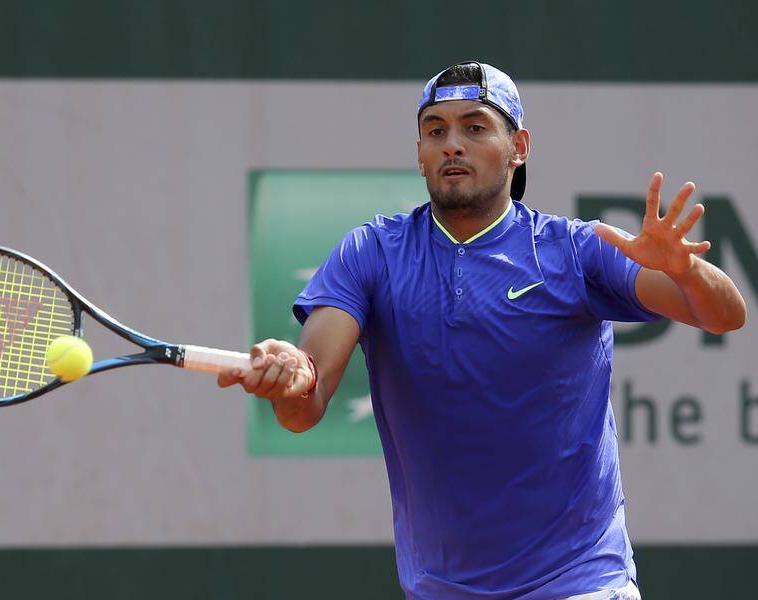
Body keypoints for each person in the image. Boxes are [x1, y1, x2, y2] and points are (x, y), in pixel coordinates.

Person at [218, 61, 746, 599]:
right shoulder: (370, 252)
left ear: (518, 148)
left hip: (583, 584)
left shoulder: (573, 250)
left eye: (474, 127)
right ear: (419, 153)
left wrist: (686, 270)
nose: (452, 145)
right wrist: (288, 378)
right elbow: (305, 402)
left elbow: (723, 314)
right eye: (436, 131)